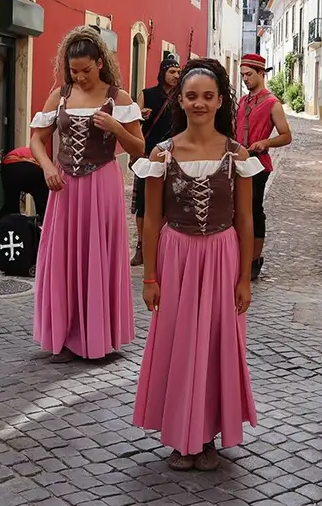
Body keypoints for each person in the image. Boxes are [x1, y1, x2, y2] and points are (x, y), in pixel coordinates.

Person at [131, 58, 260, 471]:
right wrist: (150, 276)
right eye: (191, 96)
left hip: (222, 257)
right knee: (178, 343)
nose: (199, 103)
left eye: (207, 96)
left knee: (216, 345)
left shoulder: (236, 154)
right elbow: (152, 219)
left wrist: (244, 278)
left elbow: (245, 219)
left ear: (220, 100)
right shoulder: (161, 154)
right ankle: (179, 436)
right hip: (177, 255)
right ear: (180, 101)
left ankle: (206, 436)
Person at [28, 26, 146, 363]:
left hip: (102, 184)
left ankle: (96, 335)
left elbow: (140, 149)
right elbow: (36, 138)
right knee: (64, 256)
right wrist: (48, 166)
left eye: (85, 70)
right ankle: (64, 333)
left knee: (97, 254)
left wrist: (117, 128)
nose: (78, 77)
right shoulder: (61, 95)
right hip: (64, 184)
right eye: (73, 70)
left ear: (100, 63)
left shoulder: (119, 98)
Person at [235, 53, 293, 281]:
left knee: (253, 211)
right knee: (237, 210)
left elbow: (286, 135)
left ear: (261, 73)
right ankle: (239, 255)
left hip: (258, 164)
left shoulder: (272, 103)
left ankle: (254, 259)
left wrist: (266, 142)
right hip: (239, 161)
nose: (245, 79)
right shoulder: (243, 101)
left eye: (249, 74)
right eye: (242, 75)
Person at [131, 56, 182, 265]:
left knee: (168, 204)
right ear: (163, 73)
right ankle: (141, 246)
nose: (176, 76)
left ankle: (160, 246)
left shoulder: (182, 97)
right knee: (143, 205)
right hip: (148, 155)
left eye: (179, 72)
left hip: (174, 156)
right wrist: (141, 115)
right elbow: (132, 122)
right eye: (172, 72)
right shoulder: (147, 94)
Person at [0, 146, 49, 221]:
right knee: (42, 199)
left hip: (7, 165)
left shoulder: (29, 150)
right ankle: (43, 221)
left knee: (11, 200)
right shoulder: (44, 157)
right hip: (31, 167)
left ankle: (9, 224)